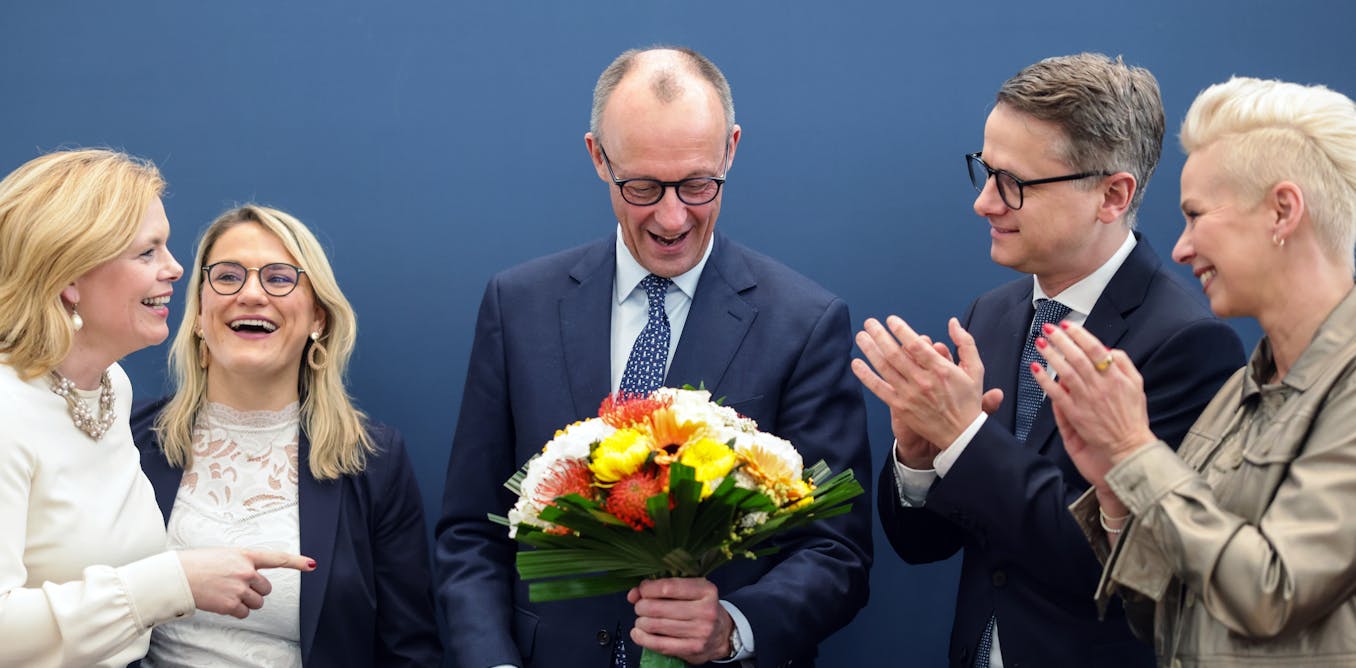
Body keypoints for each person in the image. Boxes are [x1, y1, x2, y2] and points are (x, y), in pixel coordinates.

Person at [435, 47, 872, 668]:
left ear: (731, 151)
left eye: (698, 185)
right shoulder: (518, 306)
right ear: (598, 158)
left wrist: (733, 627)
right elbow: (472, 532)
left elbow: (836, 552)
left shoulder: (804, 323)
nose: (672, 217)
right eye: (642, 187)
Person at [854, 53, 1245, 666]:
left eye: (1013, 183)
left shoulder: (1188, 345)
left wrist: (963, 435)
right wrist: (921, 458)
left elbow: (1107, 567)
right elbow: (923, 545)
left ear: (1112, 195)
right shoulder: (991, 315)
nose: (985, 203)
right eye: (985, 171)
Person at [1033, 76, 1356, 664]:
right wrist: (1116, 491)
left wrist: (1134, 451)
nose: (1180, 249)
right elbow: (1165, 612)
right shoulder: (1239, 392)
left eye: (1196, 215)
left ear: (1282, 211)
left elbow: (1269, 594)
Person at [0, 149, 315, 667]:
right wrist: (175, 581)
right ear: (70, 277)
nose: (175, 269)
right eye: (147, 252)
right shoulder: (8, 409)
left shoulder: (111, 386)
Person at [130, 204, 442, 666]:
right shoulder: (128, 437)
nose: (252, 294)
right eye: (228, 276)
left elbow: (409, 650)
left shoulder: (374, 461)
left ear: (318, 318)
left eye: (279, 278)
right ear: (198, 313)